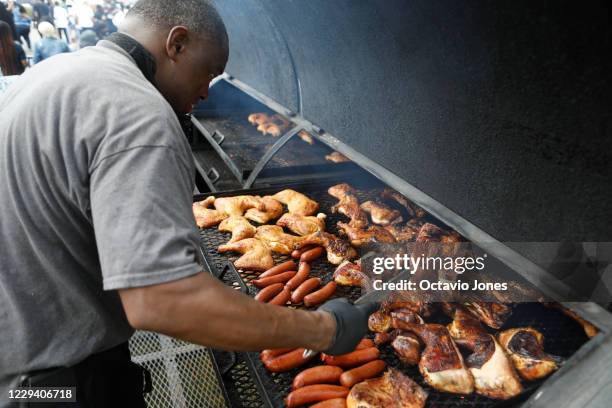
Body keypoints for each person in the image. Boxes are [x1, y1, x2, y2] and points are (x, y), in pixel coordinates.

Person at [0, 0, 375, 406]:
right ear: (176, 44)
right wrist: (325, 330)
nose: (205, 92)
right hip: (57, 389)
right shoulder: (138, 114)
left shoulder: (55, 73)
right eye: (209, 72)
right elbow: (161, 301)